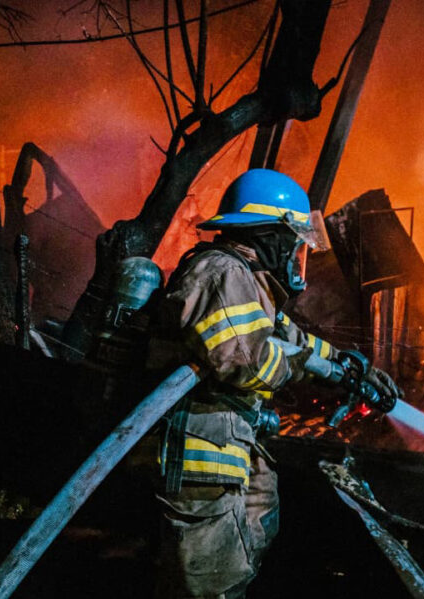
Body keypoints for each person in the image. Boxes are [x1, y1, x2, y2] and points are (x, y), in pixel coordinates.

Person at [148, 168, 403, 598]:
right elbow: (245, 360)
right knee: (207, 583)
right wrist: (310, 367)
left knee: (237, 566)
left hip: (231, 447)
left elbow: (290, 339)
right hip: (200, 456)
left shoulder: (250, 285)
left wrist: (346, 368)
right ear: (271, 235)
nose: (300, 255)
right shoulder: (219, 273)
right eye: (295, 241)